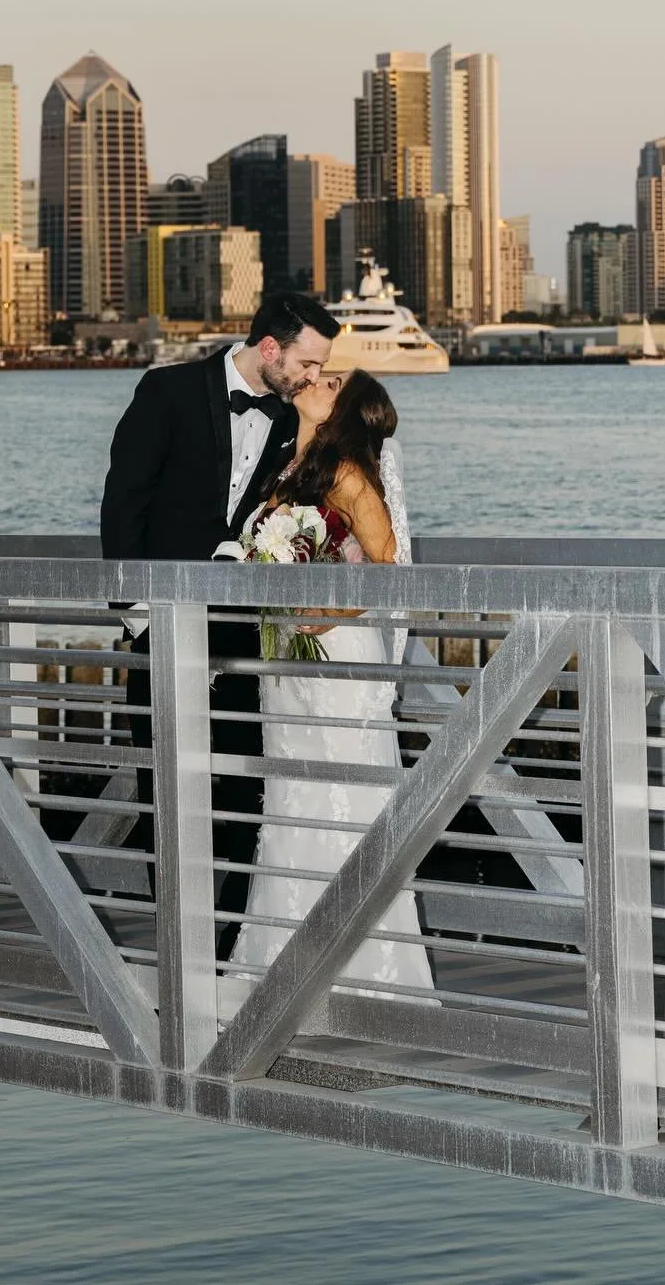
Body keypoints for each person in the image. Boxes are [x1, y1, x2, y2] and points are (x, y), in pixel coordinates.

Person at [99, 292, 340, 957]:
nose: (314, 376)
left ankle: (226, 949)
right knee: (164, 795)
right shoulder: (167, 391)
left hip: (241, 638)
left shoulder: (294, 418)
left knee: (242, 792)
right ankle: (180, 947)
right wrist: (139, 618)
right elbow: (125, 505)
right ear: (270, 349)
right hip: (161, 629)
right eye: (308, 362)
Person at [226, 368, 435, 1003]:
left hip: (335, 652)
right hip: (289, 658)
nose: (316, 378)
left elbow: (389, 564)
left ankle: (362, 972)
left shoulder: (346, 472)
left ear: (344, 408)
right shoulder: (293, 466)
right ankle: (278, 959)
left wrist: (331, 613)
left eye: (331, 380)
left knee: (345, 794)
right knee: (291, 793)